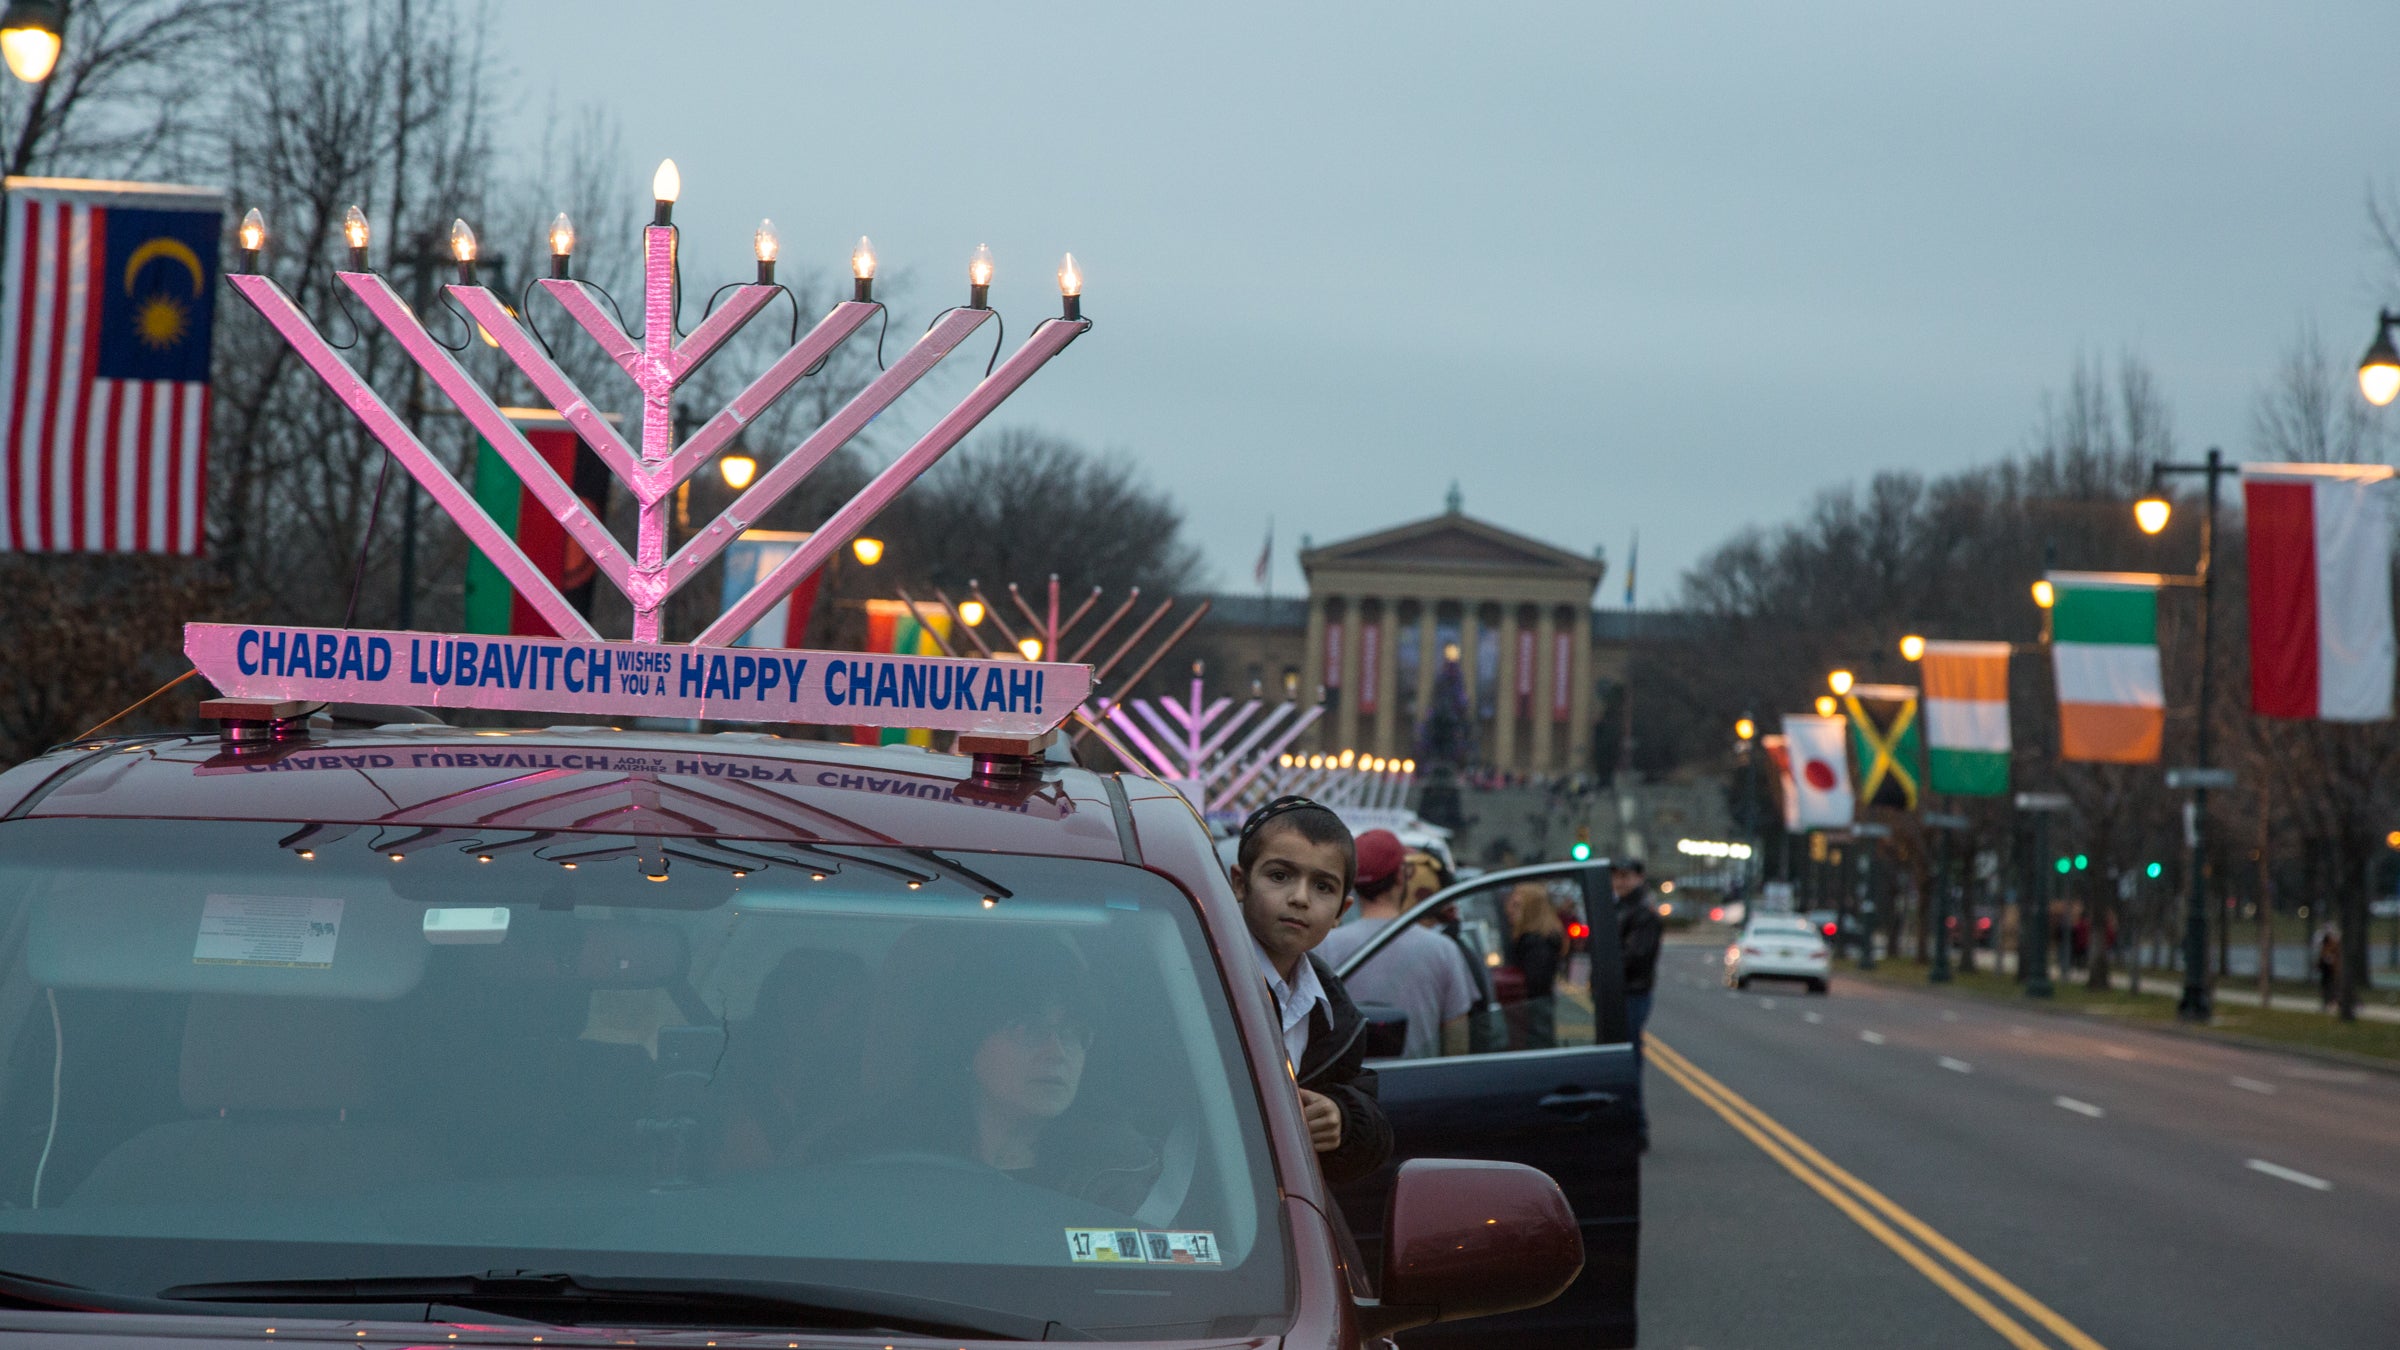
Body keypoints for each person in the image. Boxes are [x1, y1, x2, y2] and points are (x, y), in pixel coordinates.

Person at [808, 934, 1162, 1211]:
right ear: (965, 1040)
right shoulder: (867, 1155)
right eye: (1028, 1030)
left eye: (1074, 1032)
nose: (1057, 1053)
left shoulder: (1122, 1171)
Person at [1227, 796, 1394, 1185]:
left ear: (1340, 911)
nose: (1300, 898)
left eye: (1322, 886)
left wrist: (1342, 1117)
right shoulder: (1197, 978)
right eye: (1279, 876)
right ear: (1239, 882)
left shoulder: (1337, 1016)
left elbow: (1370, 1122)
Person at [1317, 829, 1478, 1060]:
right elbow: (1457, 1044)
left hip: (1344, 1093)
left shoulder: (1322, 948)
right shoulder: (1443, 950)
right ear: (1402, 876)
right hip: (1419, 1089)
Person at [1612, 858, 1663, 1150]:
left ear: (1640, 878)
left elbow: (1636, 957)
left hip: (1633, 992)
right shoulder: (1621, 908)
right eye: (1616, 877)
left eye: (1626, 877)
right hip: (1623, 992)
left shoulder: (1643, 914)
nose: (1620, 882)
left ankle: (1637, 1127)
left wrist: (1608, 965)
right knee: (1622, 1059)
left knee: (1628, 1061)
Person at [1507, 881, 1567, 1049]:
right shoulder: (1537, 941)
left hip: (1533, 1015)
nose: (1509, 910)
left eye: (1517, 905)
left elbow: (1535, 986)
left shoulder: (1536, 945)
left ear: (1531, 909)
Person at [2314, 921, 2341, 1011]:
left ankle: (2333, 1002)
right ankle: (2327, 1003)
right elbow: (2322, 955)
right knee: (2326, 985)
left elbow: (2335, 955)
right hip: (2326, 968)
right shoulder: (2324, 945)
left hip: (2332, 968)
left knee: (2332, 985)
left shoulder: (2334, 943)